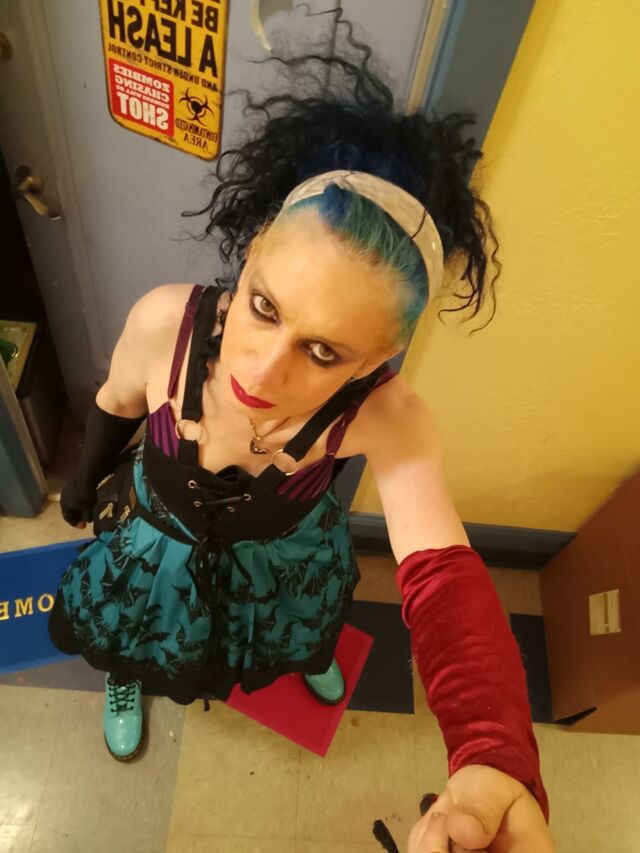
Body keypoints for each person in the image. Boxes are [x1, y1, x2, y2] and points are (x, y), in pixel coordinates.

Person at [49, 16, 555, 852]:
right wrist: (81, 485)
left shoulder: (388, 416)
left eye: (323, 351)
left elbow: (442, 573)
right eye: (263, 306)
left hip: (279, 557)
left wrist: (492, 745)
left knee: (292, 624)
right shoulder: (166, 323)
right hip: (156, 540)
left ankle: (299, 652)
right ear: (251, 253)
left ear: (378, 357)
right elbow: (115, 401)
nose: (262, 368)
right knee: (129, 623)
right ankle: (127, 671)